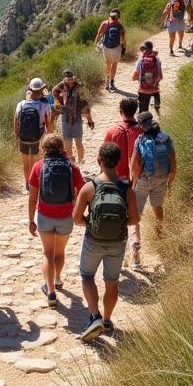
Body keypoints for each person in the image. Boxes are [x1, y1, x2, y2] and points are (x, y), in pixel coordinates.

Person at [73, 142, 139, 341]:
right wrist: (119, 224)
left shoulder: (89, 187)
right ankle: (108, 320)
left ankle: (94, 316)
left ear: (98, 161)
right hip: (117, 243)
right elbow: (135, 219)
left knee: (87, 276)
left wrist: (91, 224)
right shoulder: (127, 189)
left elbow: (76, 218)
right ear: (119, 162)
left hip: (93, 240)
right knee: (112, 283)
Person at [28, 134, 85, 307]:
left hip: (45, 216)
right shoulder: (71, 167)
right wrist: (78, 211)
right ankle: (58, 278)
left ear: (43, 150)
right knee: (59, 253)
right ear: (63, 149)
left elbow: (32, 198)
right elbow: (82, 189)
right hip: (65, 216)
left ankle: (51, 290)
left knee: (47, 253)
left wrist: (31, 220)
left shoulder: (39, 166)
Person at [129, 111, 176, 268]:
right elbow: (173, 164)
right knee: (158, 208)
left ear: (141, 125)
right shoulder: (165, 138)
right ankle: (160, 238)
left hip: (143, 180)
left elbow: (135, 164)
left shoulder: (140, 139)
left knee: (136, 215)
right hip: (161, 179)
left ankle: (136, 250)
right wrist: (169, 182)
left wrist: (133, 183)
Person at [14, 78, 52, 189]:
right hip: (37, 138)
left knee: (26, 163)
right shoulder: (44, 105)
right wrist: (49, 136)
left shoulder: (20, 104)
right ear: (41, 90)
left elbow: (16, 121)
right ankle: (35, 183)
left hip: (23, 138)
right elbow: (48, 123)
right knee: (35, 162)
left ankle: (27, 183)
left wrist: (17, 137)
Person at [52, 70, 94, 163]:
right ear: (64, 79)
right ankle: (71, 164)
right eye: (68, 79)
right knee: (67, 144)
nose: (70, 81)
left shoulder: (80, 87)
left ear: (74, 78)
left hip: (77, 118)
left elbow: (85, 105)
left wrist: (89, 120)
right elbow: (55, 99)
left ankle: (81, 162)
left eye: (71, 79)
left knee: (79, 142)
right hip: (65, 119)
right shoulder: (59, 88)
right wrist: (58, 105)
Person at [103, 98, 143, 182]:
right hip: (137, 176)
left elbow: (103, 154)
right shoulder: (142, 130)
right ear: (135, 111)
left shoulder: (113, 130)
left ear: (121, 111)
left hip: (116, 177)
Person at [94, 8, 127, 91]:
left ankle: (107, 81)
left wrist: (96, 44)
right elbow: (123, 39)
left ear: (110, 15)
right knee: (114, 64)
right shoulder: (120, 25)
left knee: (108, 64)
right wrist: (124, 48)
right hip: (116, 47)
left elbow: (98, 34)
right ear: (118, 16)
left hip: (106, 47)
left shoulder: (104, 23)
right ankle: (112, 82)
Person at [132, 41, 163, 115]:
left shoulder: (141, 60)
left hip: (143, 89)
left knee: (143, 110)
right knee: (156, 94)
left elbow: (135, 76)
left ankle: (142, 123)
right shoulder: (157, 59)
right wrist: (154, 83)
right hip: (153, 87)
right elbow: (160, 76)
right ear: (152, 48)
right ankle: (157, 105)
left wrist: (138, 79)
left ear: (143, 50)